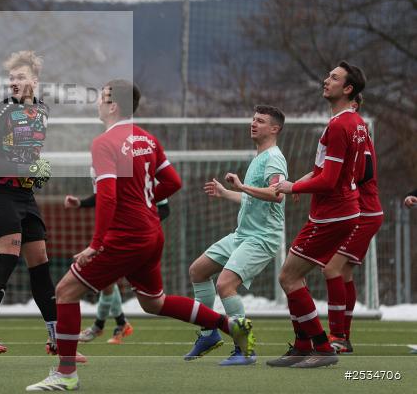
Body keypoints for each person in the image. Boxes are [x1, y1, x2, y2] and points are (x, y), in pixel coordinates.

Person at [26, 80, 253, 391]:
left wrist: (96, 244)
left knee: (65, 291)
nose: (97, 102)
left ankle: (66, 374)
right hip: (151, 231)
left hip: (126, 236)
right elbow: (173, 182)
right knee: (154, 303)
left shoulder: (104, 143)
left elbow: (108, 197)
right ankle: (230, 325)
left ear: (113, 105)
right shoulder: (146, 138)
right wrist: (145, 202)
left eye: (101, 97)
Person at [0, 51, 73, 361]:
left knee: (40, 261)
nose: (14, 82)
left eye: (20, 77)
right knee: (9, 255)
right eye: (11, 77)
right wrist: (26, 170)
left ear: (34, 81)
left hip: (25, 195)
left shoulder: (43, 111)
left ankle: (56, 338)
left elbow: (27, 154)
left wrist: (37, 170)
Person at [270, 61, 368, 369]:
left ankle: (323, 348)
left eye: (334, 78)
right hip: (341, 209)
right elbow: (349, 171)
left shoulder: (339, 125)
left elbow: (328, 180)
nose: (326, 80)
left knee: (288, 276)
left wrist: (293, 185)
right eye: (328, 75)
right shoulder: (356, 123)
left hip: (333, 213)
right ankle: (301, 346)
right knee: (292, 274)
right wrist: (304, 181)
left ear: (348, 89)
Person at [185, 105, 288, 366]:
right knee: (198, 271)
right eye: (253, 119)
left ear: (274, 129)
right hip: (242, 234)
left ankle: (246, 349)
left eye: (261, 121)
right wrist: (227, 193)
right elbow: (251, 198)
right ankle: (208, 335)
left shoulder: (274, 158)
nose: (254, 124)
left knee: (225, 285)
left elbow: (277, 194)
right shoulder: (259, 156)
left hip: (262, 238)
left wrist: (242, 185)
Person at [64, 195, 171, 345]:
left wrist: (143, 226)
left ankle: (102, 326)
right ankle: (116, 324)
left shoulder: (150, 177)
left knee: (150, 301)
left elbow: (165, 208)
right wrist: (80, 203)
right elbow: (105, 195)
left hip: (137, 238)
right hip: (116, 234)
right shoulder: (119, 174)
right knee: (108, 283)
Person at [324, 93, 383, 354]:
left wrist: (339, 185)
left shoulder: (358, 133)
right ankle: (343, 337)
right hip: (364, 212)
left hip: (364, 212)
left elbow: (364, 171)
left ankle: (337, 336)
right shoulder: (356, 133)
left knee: (331, 269)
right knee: (343, 272)